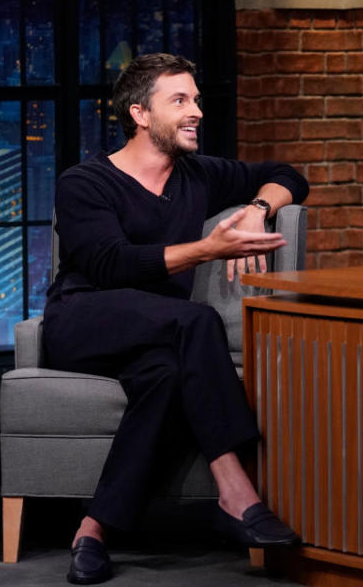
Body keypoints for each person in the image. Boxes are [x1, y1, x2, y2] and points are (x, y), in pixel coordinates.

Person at [42, 53, 309, 584]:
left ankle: (93, 529)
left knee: (166, 376)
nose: (197, 112)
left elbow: (288, 176)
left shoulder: (198, 175)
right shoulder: (85, 182)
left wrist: (258, 206)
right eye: (180, 101)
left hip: (155, 335)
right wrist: (208, 248)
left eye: (197, 100)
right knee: (196, 320)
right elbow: (109, 264)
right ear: (140, 114)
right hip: (82, 321)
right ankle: (236, 491)